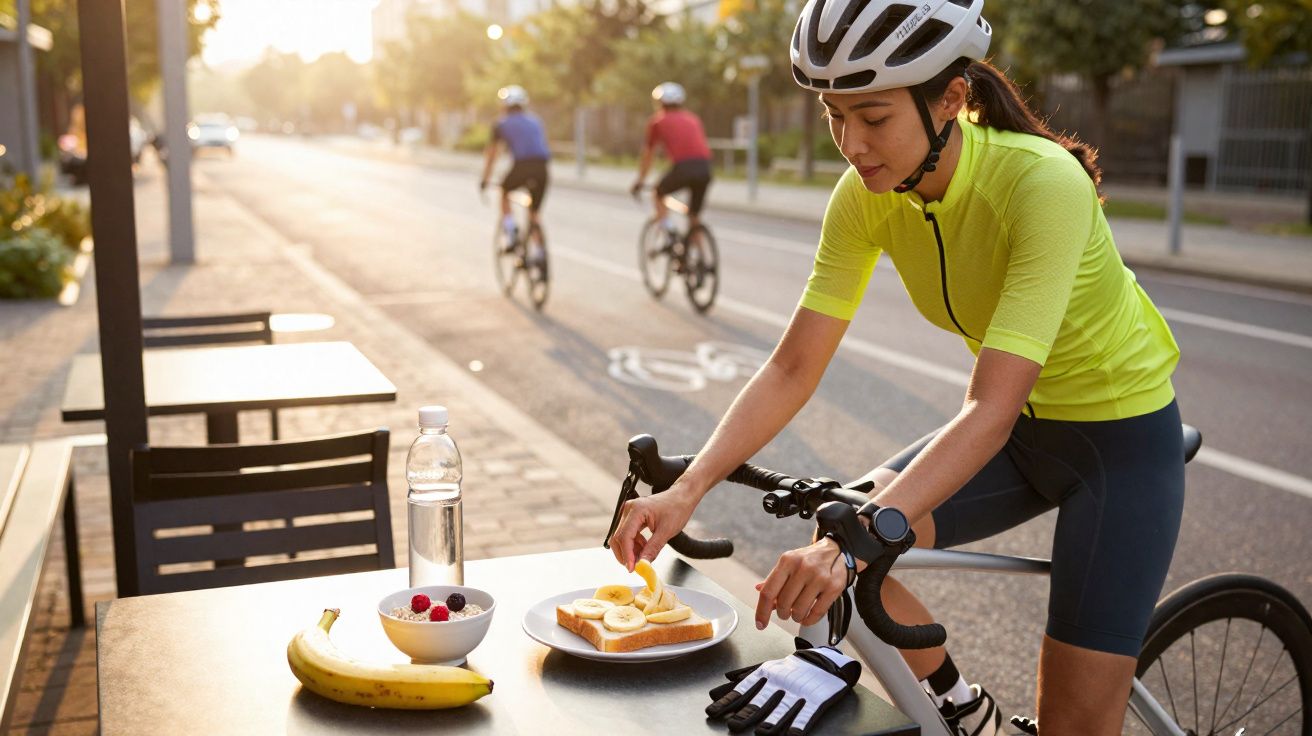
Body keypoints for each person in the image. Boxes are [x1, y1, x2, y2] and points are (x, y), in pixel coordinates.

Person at [610, 0, 1184, 733]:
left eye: (874, 118)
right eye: (834, 115)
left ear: (950, 99)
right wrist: (688, 491)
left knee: (1070, 719)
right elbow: (793, 367)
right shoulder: (864, 199)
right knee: (839, 535)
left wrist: (857, 543)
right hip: (1017, 435)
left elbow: (990, 407)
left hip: (1119, 444)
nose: (851, 143)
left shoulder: (1040, 185)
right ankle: (965, 710)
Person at [631, 82, 713, 254]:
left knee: (658, 193)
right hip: (705, 168)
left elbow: (648, 154)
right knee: (694, 216)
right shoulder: (693, 119)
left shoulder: (658, 121)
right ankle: (700, 260)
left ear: (660, 103)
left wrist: (640, 181)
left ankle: (668, 234)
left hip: (683, 167)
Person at [480, 85, 550, 265]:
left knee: (504, 191)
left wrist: (485, 179)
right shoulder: (535, 121)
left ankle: (510, 233)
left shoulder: (501, 124)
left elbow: (492, 155)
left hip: (522, 166)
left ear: (504, 105)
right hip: (543, 168)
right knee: (534, 212)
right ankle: (540, 253)